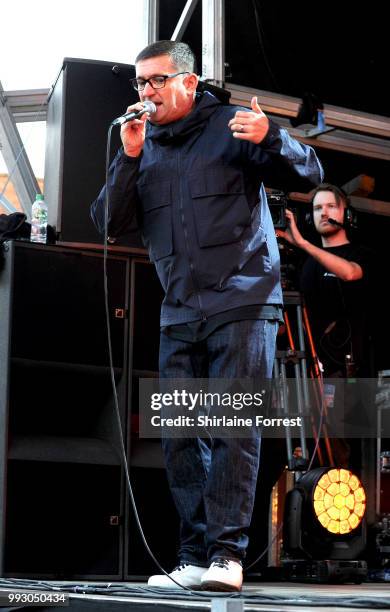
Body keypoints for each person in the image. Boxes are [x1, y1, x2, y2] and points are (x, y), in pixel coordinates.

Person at [91, 40, 323, 591]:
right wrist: (126, 159)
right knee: (179, 433)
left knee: (231, 427)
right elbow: (107, 222)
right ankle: (194, 555)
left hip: (243, 298)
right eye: (139, 84)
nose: (145, 93)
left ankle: (226, 555)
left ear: (189, 83)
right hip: (179, 310)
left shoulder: (231, 125)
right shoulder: (141, 145)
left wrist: (275, 139)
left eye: (156, 81)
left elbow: (310, 170)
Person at [277, 183, 372, 378]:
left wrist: (303, 243)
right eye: (318, 208)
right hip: (306, 370)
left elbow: (350, 273)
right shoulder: (305, 261)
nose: (323, 213)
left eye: (331, 206)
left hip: (347, 371)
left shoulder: (362, 254)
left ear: (347, 215)